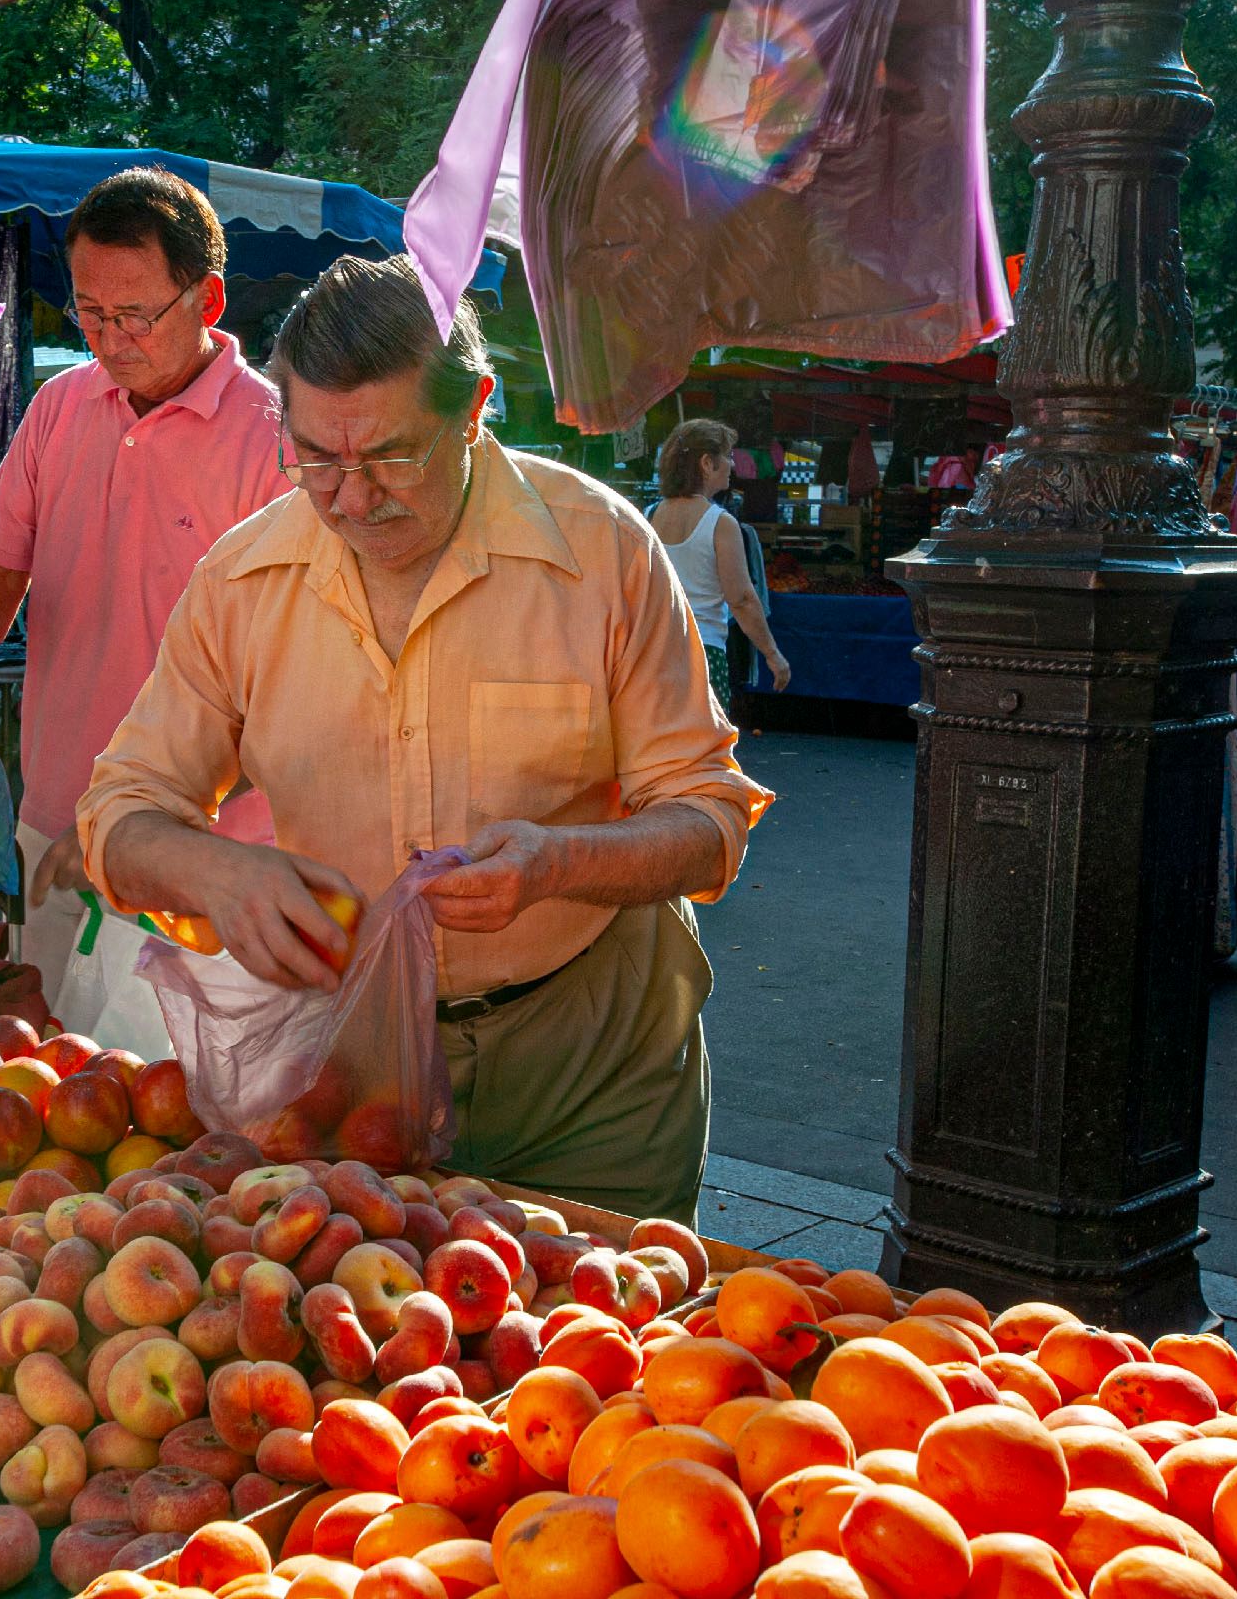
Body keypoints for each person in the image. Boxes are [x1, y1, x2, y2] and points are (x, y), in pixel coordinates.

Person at [79, 256, 773, 1219]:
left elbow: (708, 821)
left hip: (594, 1063)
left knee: (603, 1347)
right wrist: (216, 875)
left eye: (394, 457)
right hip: (354, 1070)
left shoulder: (603, 552)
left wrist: (558, 862)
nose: (353, 499)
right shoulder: (242, 581)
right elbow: (120, 813)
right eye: (317, 458)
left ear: (476, 407)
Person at [0, 169, 285, 973]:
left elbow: (297, 698)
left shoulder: (278, 444)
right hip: (54, 825)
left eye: (135, 316)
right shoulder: (57, 410)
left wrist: (145, 831)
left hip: (205, 856)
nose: (111, 338)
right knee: (43, 1077)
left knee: (189, 1091)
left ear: (208, 300)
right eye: (89, 312)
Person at [649, 419, 790, 705]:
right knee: (705, 746)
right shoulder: (720, 523)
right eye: (727, 456)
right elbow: (741, 598)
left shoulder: (649, 515)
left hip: (654, 652)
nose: (732, 464)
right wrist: (773, 654)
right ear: (706, 463)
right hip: (703, 653)